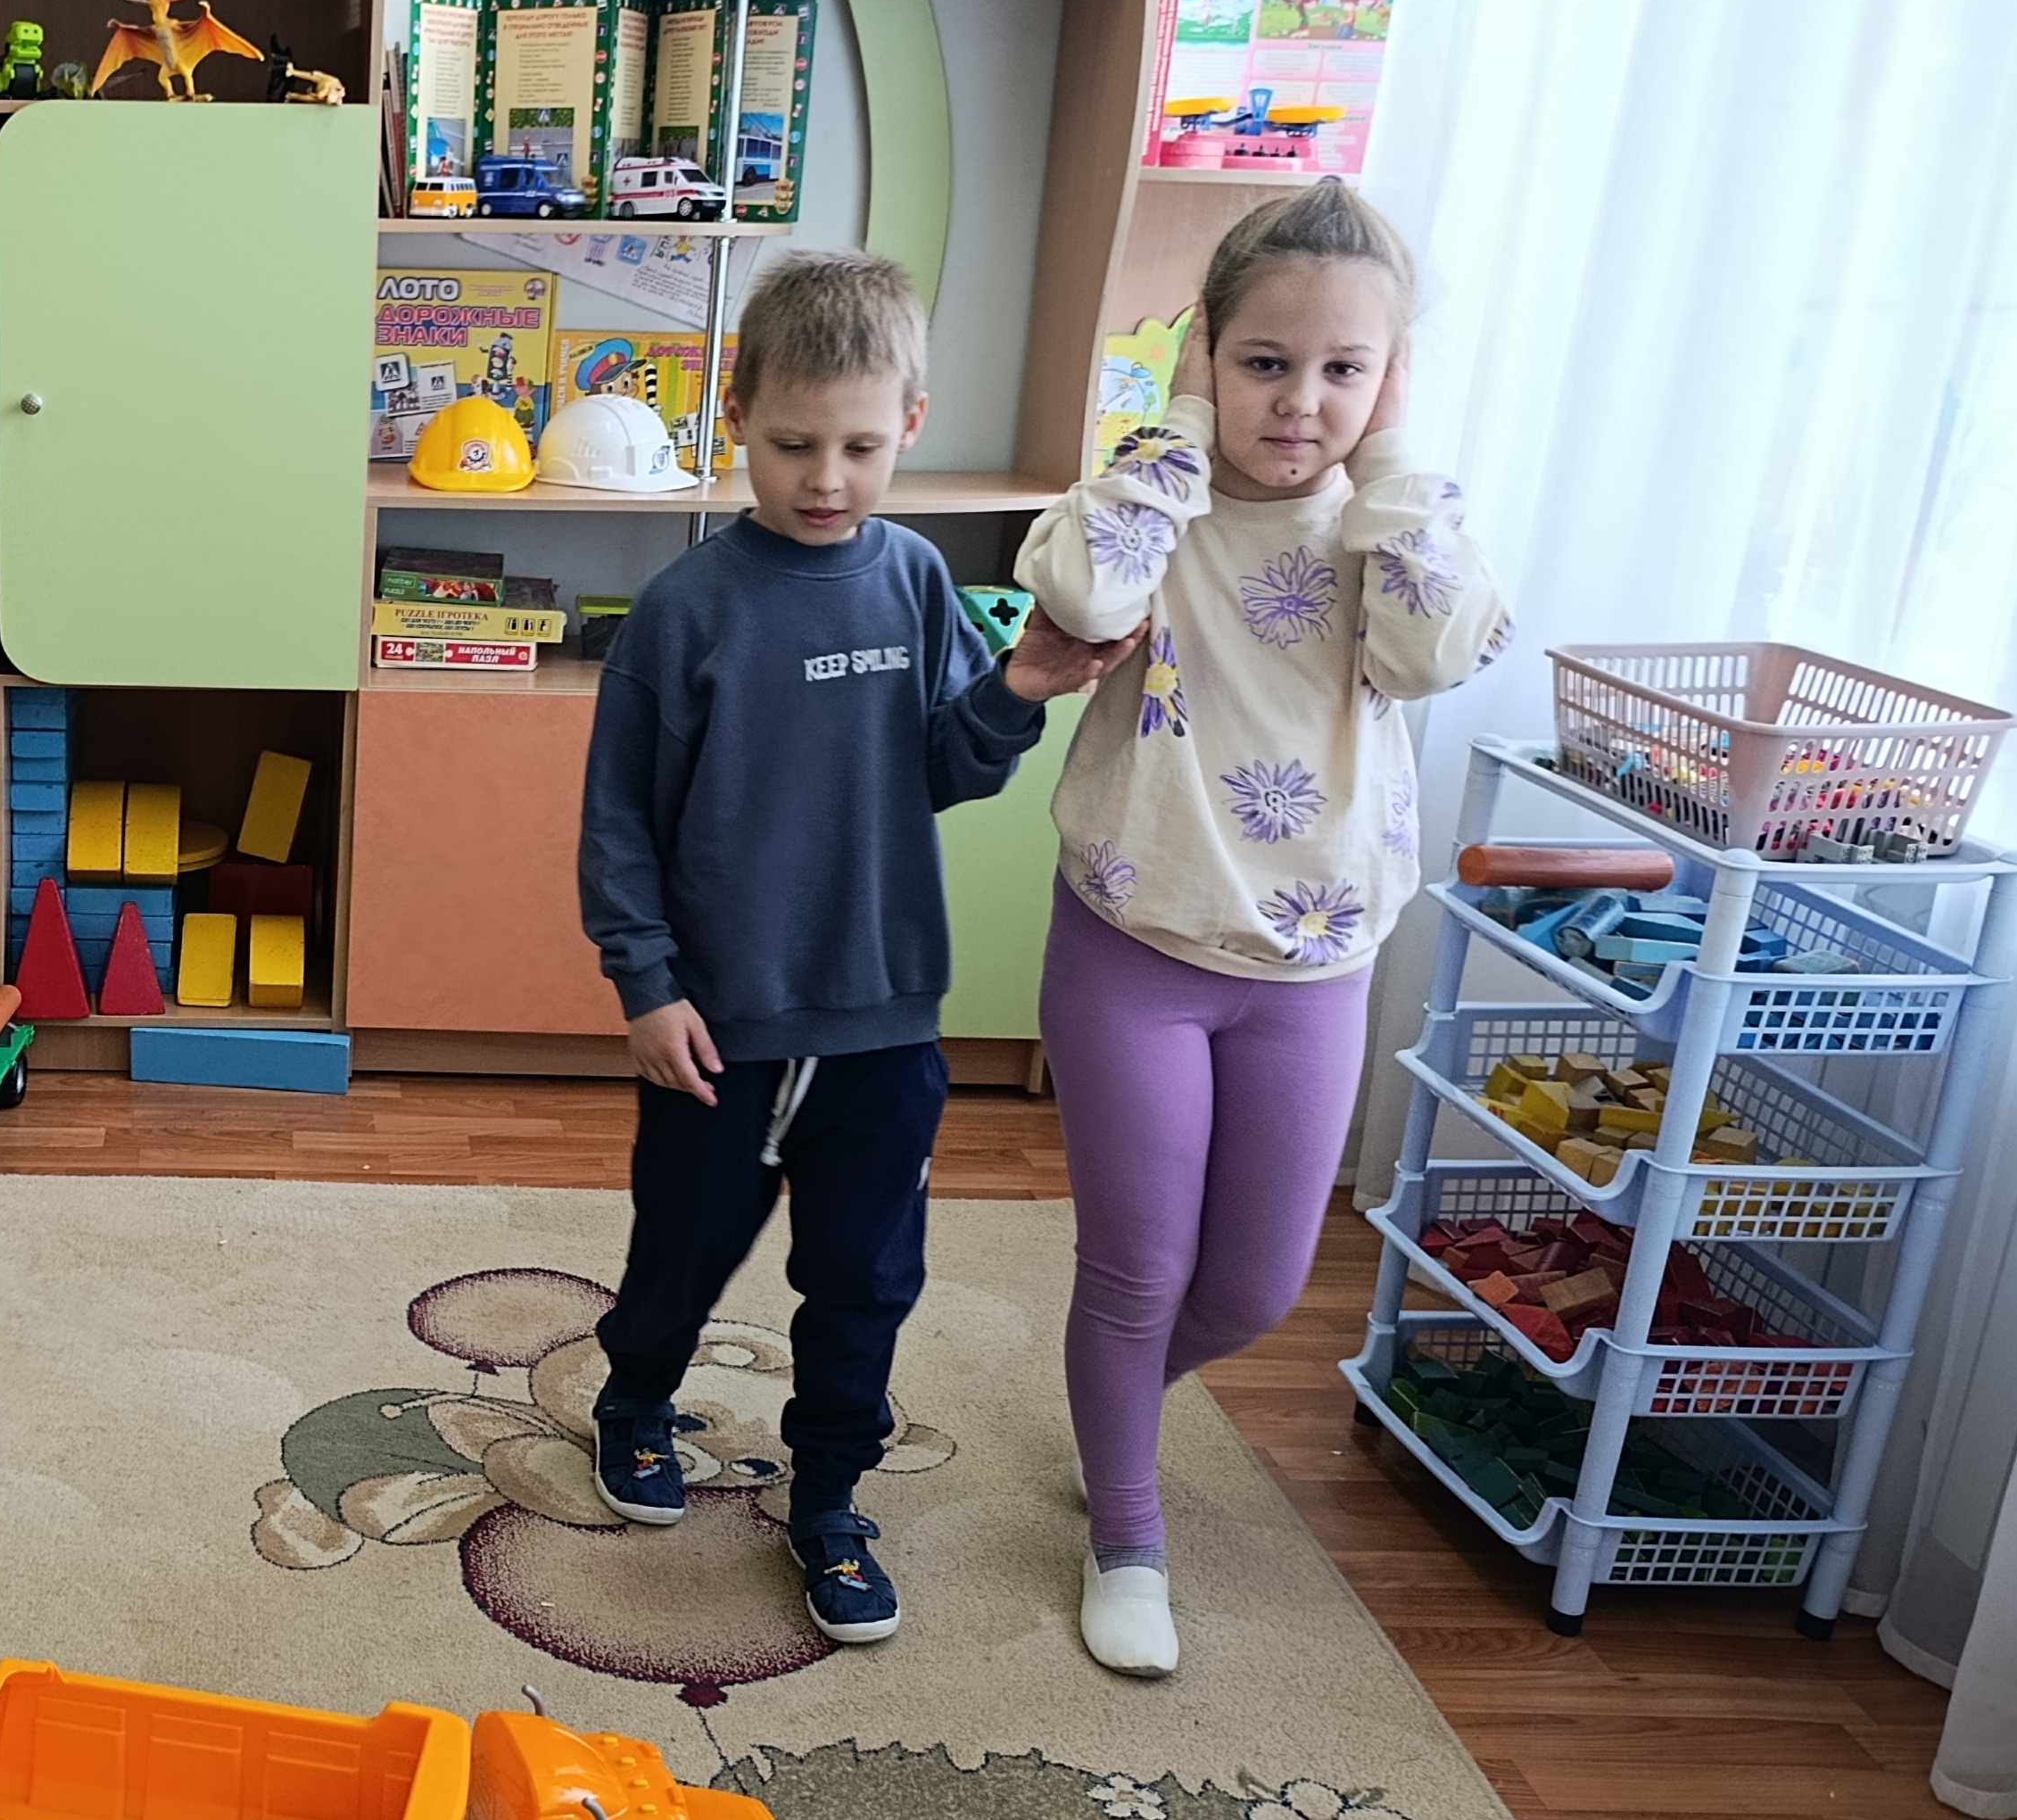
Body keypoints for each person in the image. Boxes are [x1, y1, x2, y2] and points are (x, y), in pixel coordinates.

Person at [576, 251, 1137, 1650]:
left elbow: (944, 768)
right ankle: (634, 1401)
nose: (826, 478)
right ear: (735, 415)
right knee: (681, 1256)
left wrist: (1019, 689)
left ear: (912, 423)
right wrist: (645, 984)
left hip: (886, 1024)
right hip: (719, 1026)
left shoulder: (915, 581)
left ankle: (828, 1498)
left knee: (867, 1284)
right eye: (792, 445)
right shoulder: (685, 611)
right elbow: (619, 821)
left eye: (862, 448)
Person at [1013, 178, 1509, 1680]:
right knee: (1136, 1270)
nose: (1301, 401)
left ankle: (1110, 1413)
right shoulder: (1154, 508)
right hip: (1136, 941)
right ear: (1206, 357)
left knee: (1254, 1288)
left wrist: (1391, 458)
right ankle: (1128, 1530)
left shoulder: (1393, 525)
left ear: (1392, 376)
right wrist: (1170, 432)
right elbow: (1077, 584)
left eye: (1345, 368)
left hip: (1313, 962)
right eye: (1263, 362)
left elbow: (1438, 652)